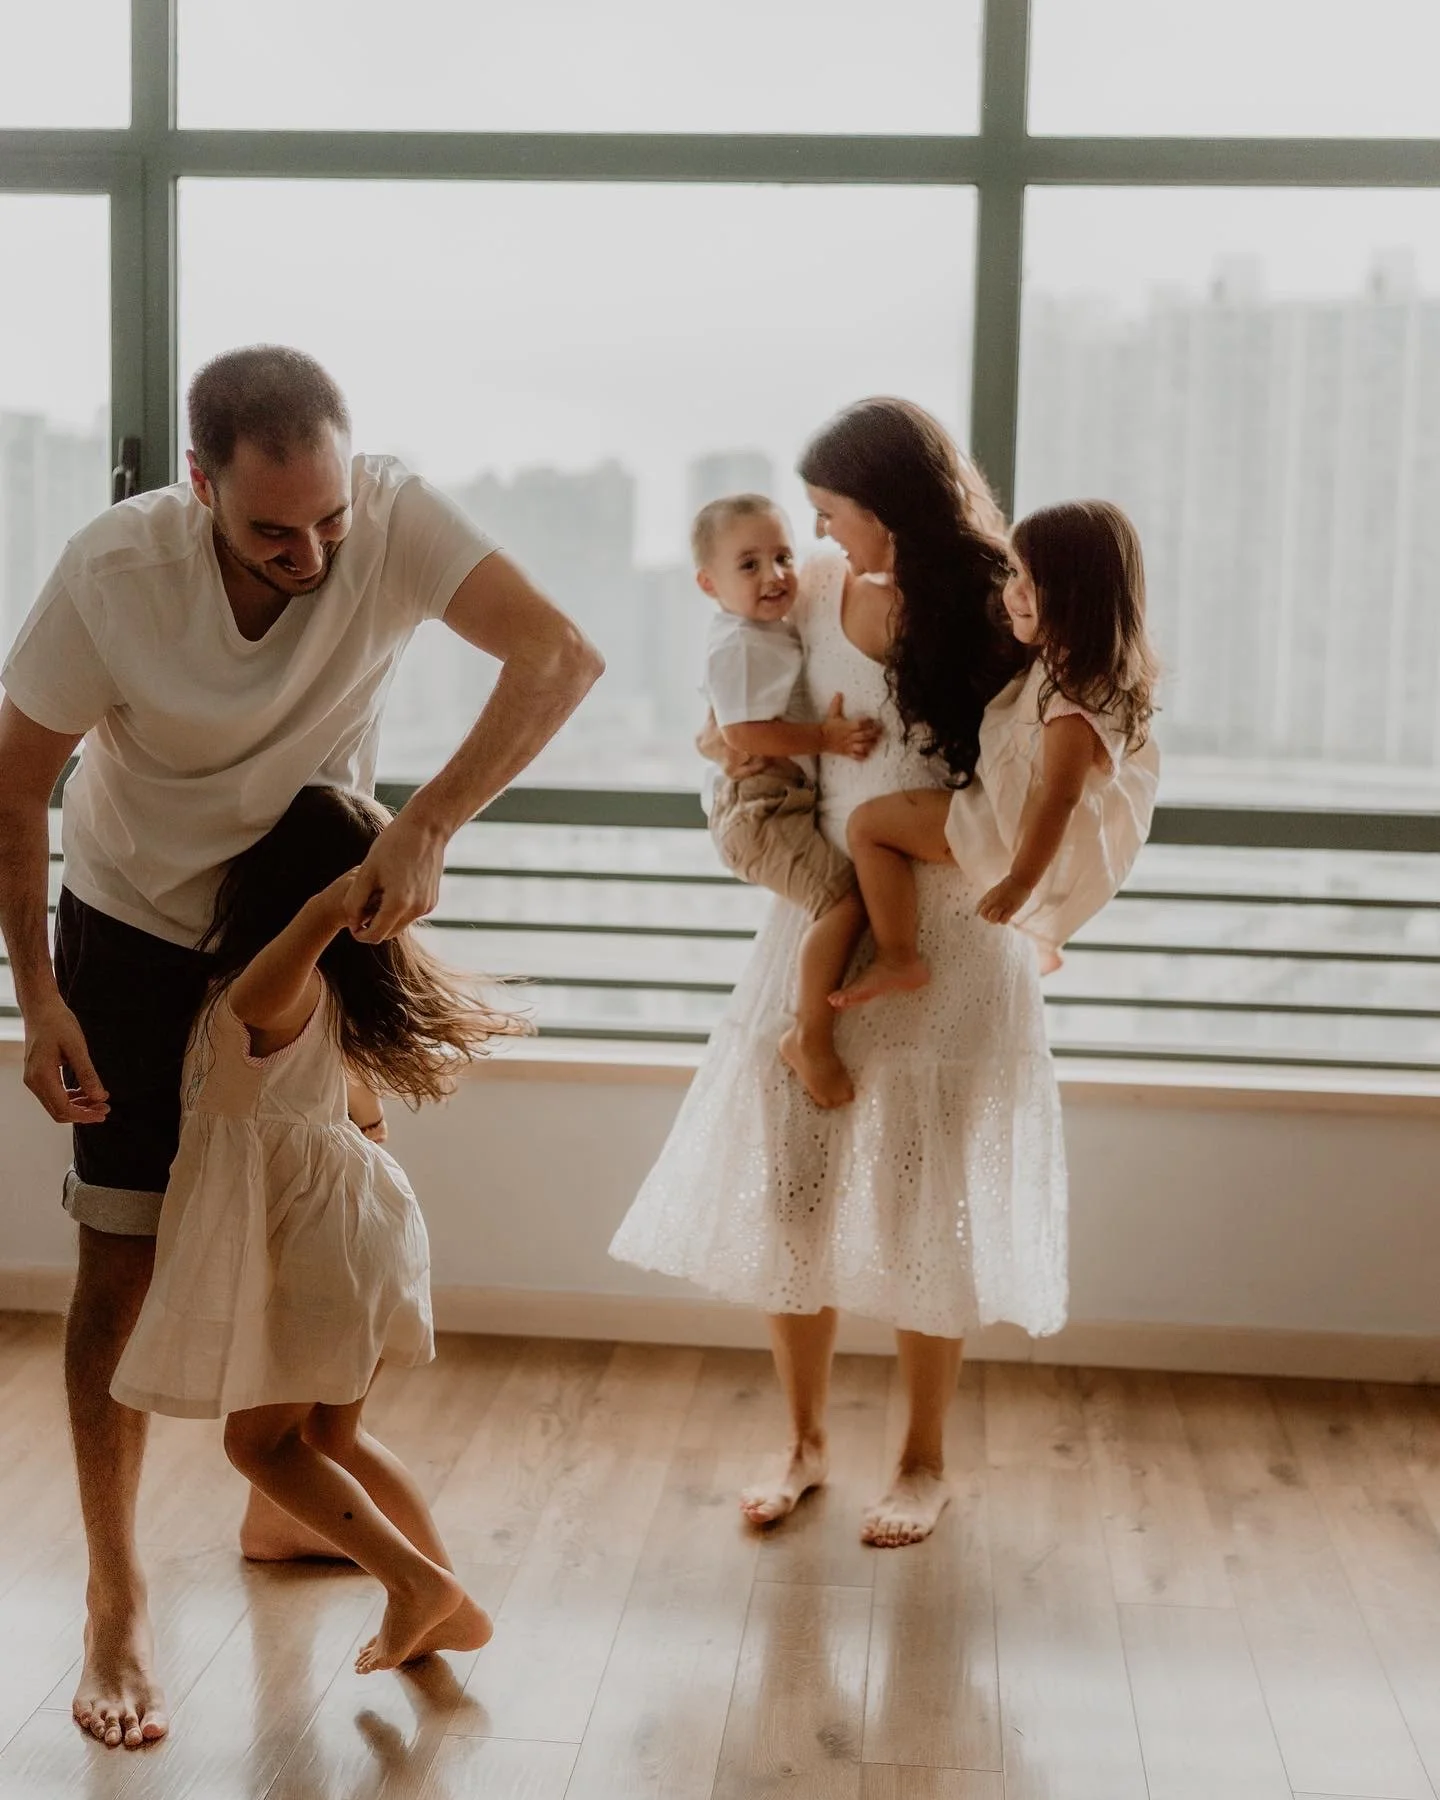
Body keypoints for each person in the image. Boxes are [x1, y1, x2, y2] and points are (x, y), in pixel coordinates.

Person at [0, 345, 602, 1749]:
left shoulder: (386, 520)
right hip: (136, 928)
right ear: (199, 485)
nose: (314, 553)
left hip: (308, 906)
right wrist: (40, 994)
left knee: (314, 1199)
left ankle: (293, 1501)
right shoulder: (115, 574)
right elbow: (17, 781)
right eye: (274, 530)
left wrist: (427, 824)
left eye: (330, 520)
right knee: (126, 1257)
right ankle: (115, 1599)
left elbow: (561, 652)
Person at [611, 398, 1068, 1550]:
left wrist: (1037, 890)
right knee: (793, 1186)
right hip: (822, 908)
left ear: (886, 504)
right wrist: (727, 754)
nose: (818, 534)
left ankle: (922, 1461)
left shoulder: (990, 599)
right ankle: (805, 1440)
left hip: (947, 926)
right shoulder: (810, 588)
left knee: (928, 1202)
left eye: (832, 513)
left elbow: (1048, 754)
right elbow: (739, 700)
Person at [112, 786, 513, 1673]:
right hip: (365, 1223)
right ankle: (448, 1595)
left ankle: (418, 1586)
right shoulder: (337, 1001)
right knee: (334, 1441)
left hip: (329, 1243)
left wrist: (334, 902)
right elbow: (360, 1125)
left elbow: (264, 990)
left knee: (257, 1445)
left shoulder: (275, 989)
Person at [835, 499, 1160, 1003]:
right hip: (1012, 817)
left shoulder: (1072, 702)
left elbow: (1058, 798)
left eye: (1035, 583)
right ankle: (1041, 936)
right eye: (1014, 572)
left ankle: (898, 956)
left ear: (1084, 598)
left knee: (867, 827)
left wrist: (1019, 882)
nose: (1013, 593)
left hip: (1001, 829)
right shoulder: (1082, 664)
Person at [694, 494, 880, 1108]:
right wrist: (825, 737)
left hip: (773, 803)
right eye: (749, 566)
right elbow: (743, 735)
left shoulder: (761, 630)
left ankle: (809, 1029)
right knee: (843, 901)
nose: (774, 576)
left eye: (782, 556)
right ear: (709, 583)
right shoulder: (742, 643)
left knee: (842, 899)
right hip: (762, 811)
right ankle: (810, 1037)